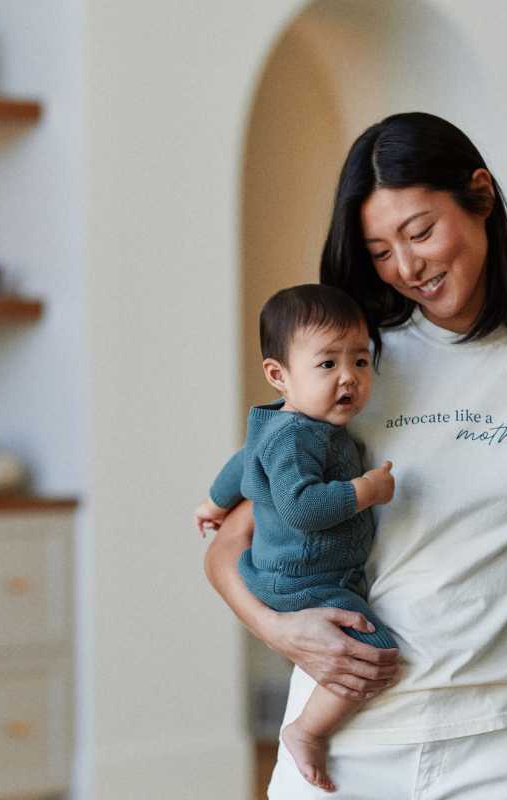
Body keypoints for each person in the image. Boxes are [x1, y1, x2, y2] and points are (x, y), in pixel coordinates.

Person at [203, 112, 507, 798]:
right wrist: (283, 632)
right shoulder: (353, 363)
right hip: (337, 742)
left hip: (501, 754)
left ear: (480, 195)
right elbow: (228, 543)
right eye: (381, 249)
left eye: (419, 232)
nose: (407, 266)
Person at [197, 284, 398, 791]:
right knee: (373, 648)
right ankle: (306, 731)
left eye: (360, 361)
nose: (348, 377)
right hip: (302, 579)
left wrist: (214, 503)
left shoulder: (279, 425)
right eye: (327, 365)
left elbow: (239, 464)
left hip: (293, 570)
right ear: (278, 374)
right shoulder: (298, 438)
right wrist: (366, 490)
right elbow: (301, 508)